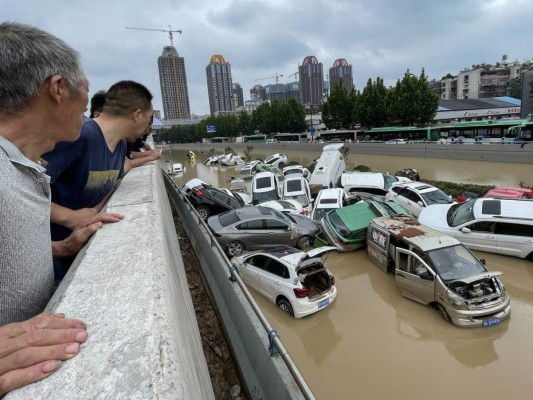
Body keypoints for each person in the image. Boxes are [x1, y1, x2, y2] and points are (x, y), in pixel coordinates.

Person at [0, 22, 122, 395]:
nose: (86, 115)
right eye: (84, 102)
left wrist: (59, 247)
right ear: (57, 89)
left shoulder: (24, 168)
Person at [42, 80, 160, 281]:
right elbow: (21, 188)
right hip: (50, 259)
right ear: (137, 115)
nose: (147, 129)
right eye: (148, 119)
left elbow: (119, 174)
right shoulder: (80, 136)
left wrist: (96, 210)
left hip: (78, 254)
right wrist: (69, 217)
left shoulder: (120, 146)